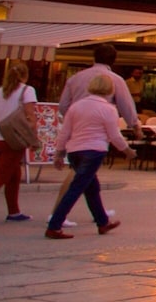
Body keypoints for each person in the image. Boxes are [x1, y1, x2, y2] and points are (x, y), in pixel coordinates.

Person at [45, 75, 136, 239]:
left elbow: (65, 131)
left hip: (74, 150)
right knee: (77, 187)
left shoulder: (76, 106)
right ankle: (55, 225)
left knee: (91, 187)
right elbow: (114, 135)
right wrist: (126, 150)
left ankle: (102, 222)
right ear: (110, 90)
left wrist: (59, 152)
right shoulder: (108, 109)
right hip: (94, 150)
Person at [0, 64, 38, 221]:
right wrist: (33, 137)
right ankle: (13, 211)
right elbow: (30, 116)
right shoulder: (27, 91)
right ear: (25, 75)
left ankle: (14, 211)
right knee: (0, 178)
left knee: (14, 174)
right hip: (13, 139)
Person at [59, 44, 139, 132]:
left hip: (76, 127)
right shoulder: (116, 80)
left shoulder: (75, 78)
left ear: (94, 58)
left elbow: (63, 105)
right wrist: (135, 126)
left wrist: (73, 119)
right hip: (101, 129)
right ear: (113, 60)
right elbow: (126, 106)